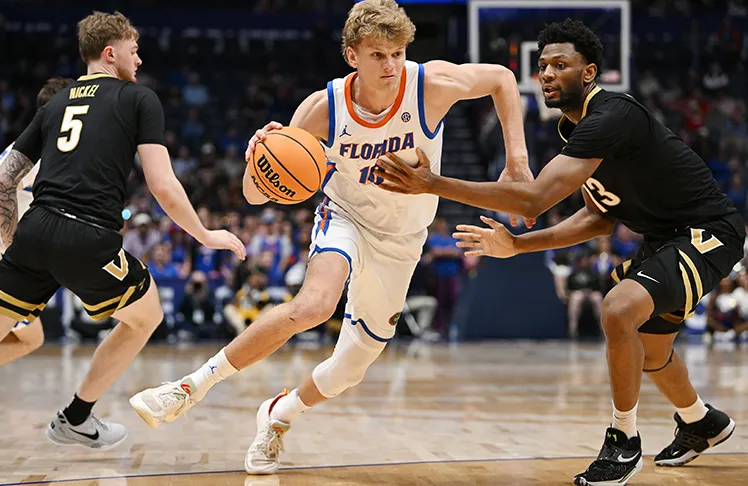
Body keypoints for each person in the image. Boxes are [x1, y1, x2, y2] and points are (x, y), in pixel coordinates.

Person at [129, 0, 533, 474]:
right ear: (352, 55)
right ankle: (189, 387)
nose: (390, 65)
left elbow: (503, 79)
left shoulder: (431, 86)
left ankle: (280, 413)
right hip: (345, 216)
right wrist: (259, 158)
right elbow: (255, 195)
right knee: (314, 305)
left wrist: (517, 161)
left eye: (398, 53)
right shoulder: (324, 108)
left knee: (350, 369)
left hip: (403, 238)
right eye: (378, 55)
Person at [374, 18, 742, 486]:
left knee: (618, 310)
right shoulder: (574, 129)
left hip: (706, 231)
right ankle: (701, 421)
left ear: (588, 73)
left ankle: (623, 439)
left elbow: (533, 200)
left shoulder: (612, 116)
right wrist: (517, 245)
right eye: (543, 65)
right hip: (663, 238)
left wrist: (433, 184)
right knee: (651, 353)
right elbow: (598, 218)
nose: (546, 73)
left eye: (560, 65)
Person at [0, 11, 245, 450]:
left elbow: (4, 177)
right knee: (146, 317)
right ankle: (76, 417)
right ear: (111, 53)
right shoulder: (138, 98)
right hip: (87, 235)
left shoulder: (55, 103)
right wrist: (206, 235)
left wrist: (13, 241)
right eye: (135, 50)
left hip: (33, 232)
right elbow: (162, 185)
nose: (140, 59)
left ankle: (78, 419)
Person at [0, 77, 74, 366]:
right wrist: (10, 244)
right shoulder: (41, 149)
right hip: (6, 262)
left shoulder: (39, 146)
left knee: (32, 338)